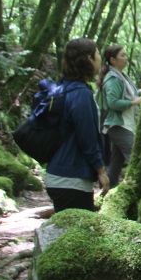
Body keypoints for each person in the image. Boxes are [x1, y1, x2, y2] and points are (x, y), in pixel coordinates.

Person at [45, 38, 110, 212]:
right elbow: (87, 138)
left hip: (59, 175)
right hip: (72, 180)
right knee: (78, 237)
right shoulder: (81, 94)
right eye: (97, 54)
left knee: (67, 235)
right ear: (88, 59)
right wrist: (101, 171)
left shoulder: (63, 88)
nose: (100, 59)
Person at [98, 44, 141, 188]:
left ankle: (106, 191)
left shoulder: (122, 76)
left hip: (125, 123)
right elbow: (113, 103)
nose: (126, 58)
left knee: (116, 163)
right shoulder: (113, 78)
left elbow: (131, 94)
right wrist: (134, 102)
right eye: (122, 55)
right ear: (112, 60)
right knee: (137, 160)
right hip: (118, 125)